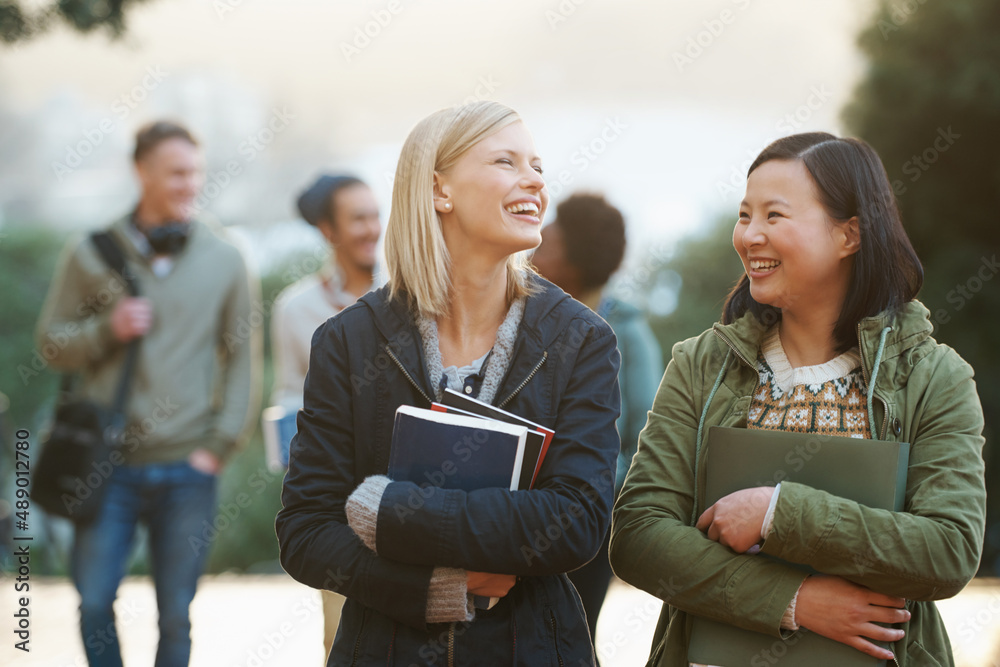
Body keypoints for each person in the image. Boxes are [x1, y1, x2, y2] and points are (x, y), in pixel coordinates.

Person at [609, 132, 986, 667]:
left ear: (848, 234)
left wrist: (779, 514)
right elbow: (639, 536)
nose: (749, 236)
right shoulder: (700, 364)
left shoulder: (934, 376)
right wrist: (795, 602)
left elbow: (947, 550)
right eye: (745, 215)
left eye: (774, 216)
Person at [275, 101, 622, 665]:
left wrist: (390, 511)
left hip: (533, 648)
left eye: (536, 165)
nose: (534, 178)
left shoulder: (583, 339)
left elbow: (577, 522)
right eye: (506, 161)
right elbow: (306, 531)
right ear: (440, 190)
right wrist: (431, 590)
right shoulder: (347, 341)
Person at [36, 120, 261, 667]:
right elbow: (50, 344)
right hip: (105, 465)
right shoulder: (90, 253)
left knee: (176, 615)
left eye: (195, 173)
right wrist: (104, 330)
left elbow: (242, 364)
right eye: (176, 173)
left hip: (188, 466)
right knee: (92, 604)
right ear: (142, 172)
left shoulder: (226, 257)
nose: (189, 184)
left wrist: (219, 446)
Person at [531, 192, 663, 660]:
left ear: (577, 258)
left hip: (590, 517)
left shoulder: (627, 331)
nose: (533, 252)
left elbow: (647, 434)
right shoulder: (525, 318)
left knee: (573, 633)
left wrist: (596, 484)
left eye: (547, 244)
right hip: (520, 510)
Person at [270, 173, 382, 660]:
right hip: (335, 497)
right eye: (358, 218)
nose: (372, 228)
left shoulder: (410, 292)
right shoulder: (296, 309)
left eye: (376, 215)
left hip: (407, 486)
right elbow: (289, 396)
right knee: (340, 633)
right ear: (327, 230)